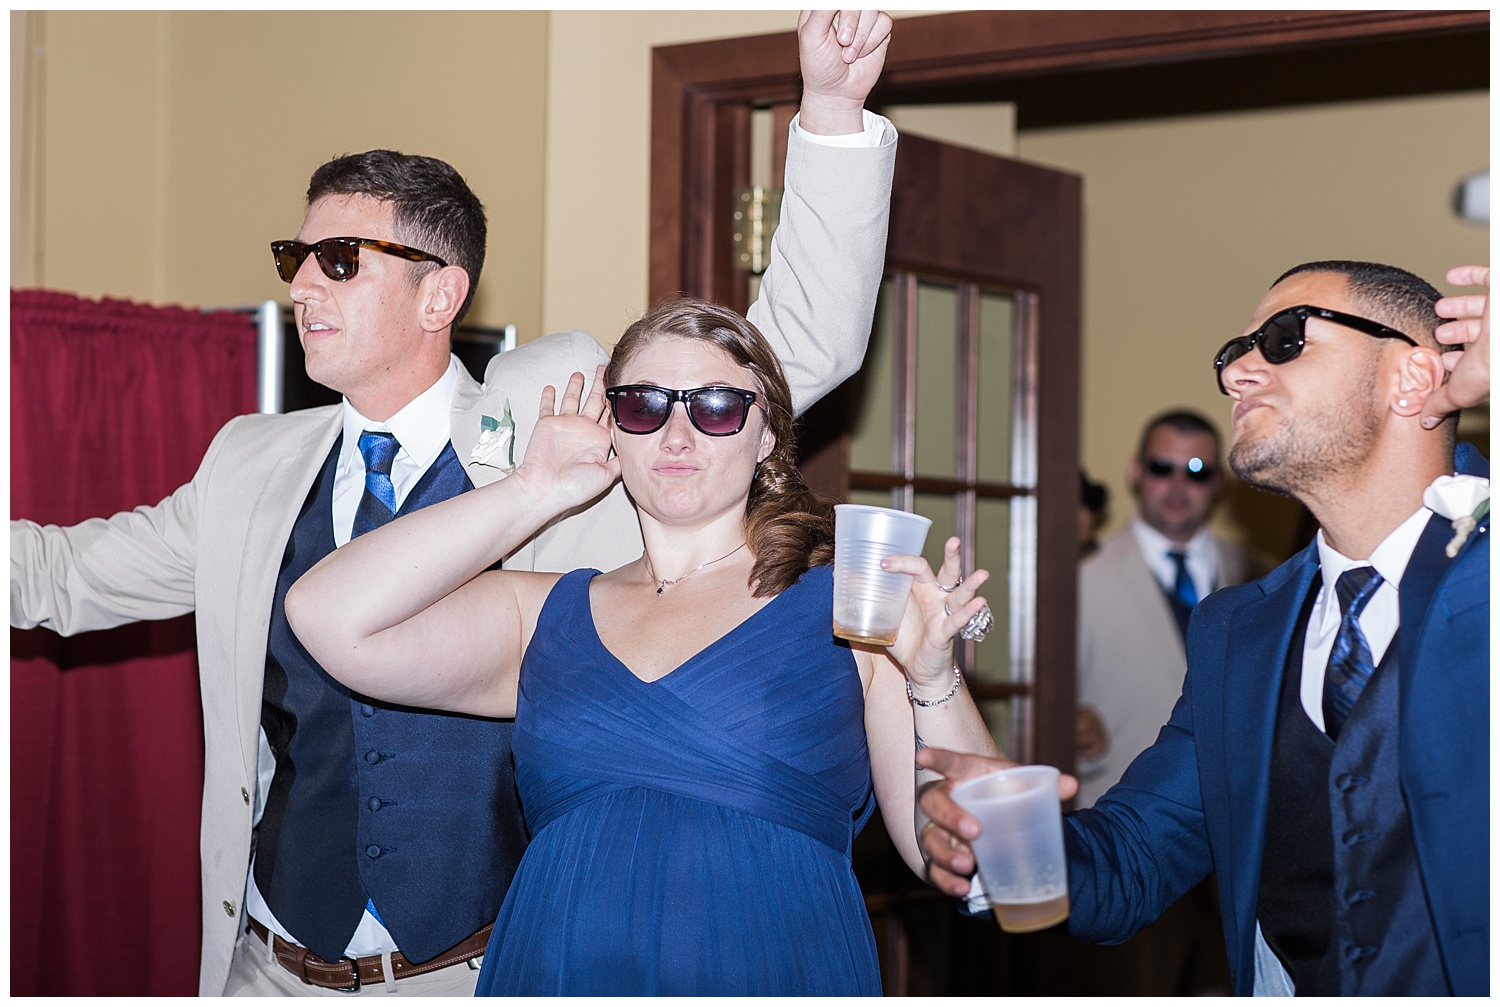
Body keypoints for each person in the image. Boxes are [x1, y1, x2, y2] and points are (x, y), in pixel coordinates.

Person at [8, 10, 898, 995]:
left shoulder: (564, 409)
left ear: (441, 295)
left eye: (338, 260)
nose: (303, 285)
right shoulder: (245, 467)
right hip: (270, 967)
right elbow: (62, 575)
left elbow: (796, 344)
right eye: (293, 260)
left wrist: (832, 111)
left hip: (478, 970)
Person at [285, 297, 1002, 995]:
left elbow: (985, 857)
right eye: (644, 407)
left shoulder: (848, 600)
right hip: (555, 971)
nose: (677, 436)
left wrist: (933, 674)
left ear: (766, 437)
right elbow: (326, 614)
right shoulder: (545, 614)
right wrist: (533, 491)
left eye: (716, 405)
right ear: (612, 431)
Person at [917, 261, 1490, 996]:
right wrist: (1002, 844)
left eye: (1285, 338)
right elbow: (1131, 860)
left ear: (1413, 378)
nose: (1238, 373)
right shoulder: (1237, 633)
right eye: (1232, 353)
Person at [1076, 409, 1259, 807]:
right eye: (1162, 468)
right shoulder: (1079, 579)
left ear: (1219, 484)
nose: (1177, 486)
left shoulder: (1265, 575)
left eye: (1196, 471)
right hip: (1118, 819)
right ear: (1135, 471)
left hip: (1236, 823)